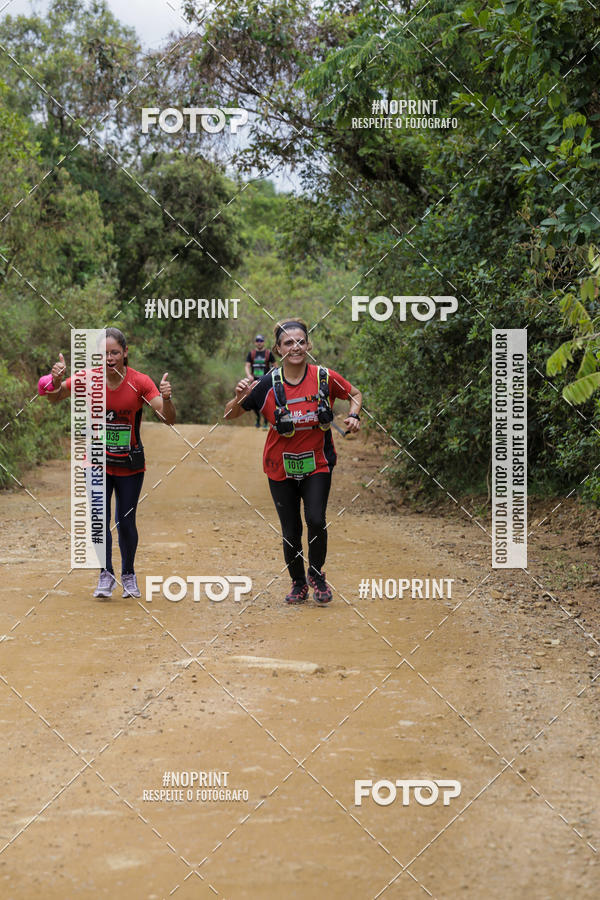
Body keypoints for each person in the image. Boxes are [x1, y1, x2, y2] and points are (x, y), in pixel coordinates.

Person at [225, 318, 362, 605]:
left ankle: (316, 574)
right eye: (288, 343)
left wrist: (354, 415)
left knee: (315, 519)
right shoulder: (266, 384)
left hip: (318, 463)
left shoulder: (324, 377)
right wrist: (239, 398)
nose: (296, 347)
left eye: (301, 342)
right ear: (277, 349)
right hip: (280, 467)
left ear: (309, 345)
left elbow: (355, 394)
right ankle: (298, 582)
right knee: (291, 529)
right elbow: (230, 415)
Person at [41, 328, 175, 599]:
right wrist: (56, 381)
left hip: (129, 465)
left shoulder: (140, 382)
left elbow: (167, 418)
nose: (109, 358)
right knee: (99, 521)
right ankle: (106, 574)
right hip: (97, 463)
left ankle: (128, 574)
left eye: (114, 352)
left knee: (125, 521)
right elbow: (54, 397)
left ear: (125, 353)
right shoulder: (88, 379)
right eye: (103, 353)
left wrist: (168, 398)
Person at [245, 334, 273, 428]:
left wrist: (270, 375)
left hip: (265, 382)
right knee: (254, 401)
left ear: (264, 342)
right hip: (254, 381)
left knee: (266, 401)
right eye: (257, 341)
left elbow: (275, 366)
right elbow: (247, 365)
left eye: (261, 341)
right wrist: (249, 375)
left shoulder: (268, 353)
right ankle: (257, 418)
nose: (259, 342)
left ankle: (265, 422)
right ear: (255, 342)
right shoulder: (251, 354)